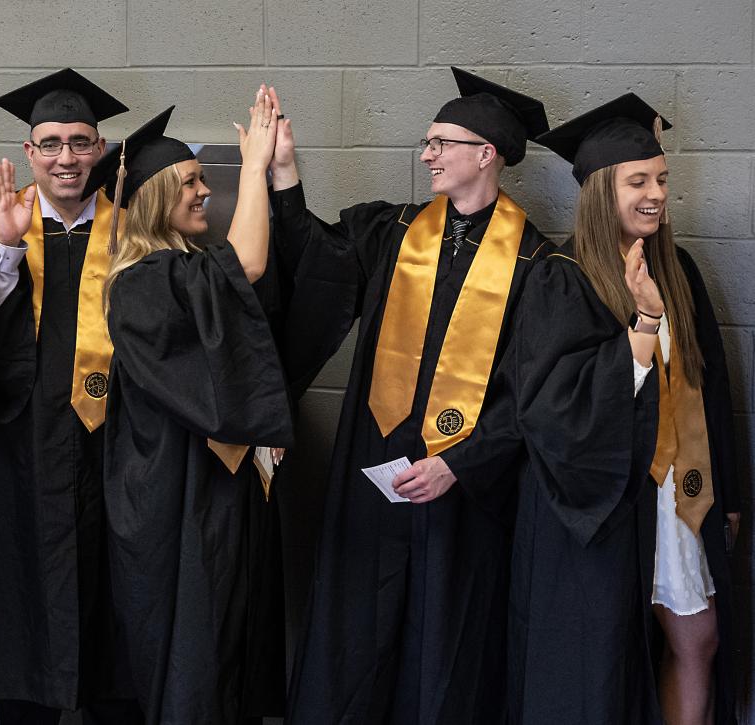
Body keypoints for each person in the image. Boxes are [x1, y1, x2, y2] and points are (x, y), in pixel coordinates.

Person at [267, 68, 553, 723]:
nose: (426, 154)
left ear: (486, 153)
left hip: (461, 496)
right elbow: (314, 264)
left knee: (443, 645)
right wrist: (285, 174)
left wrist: (461, 462)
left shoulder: (536, 265)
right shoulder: (390, 232)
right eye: (426, 142)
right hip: (374, 482)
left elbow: (533, 394)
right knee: (355, 641)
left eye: (439, 142)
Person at [475, 93, 737, 724]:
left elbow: (710, 389)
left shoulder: (679, 270)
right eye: (638, 181)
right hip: (597, 499)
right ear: (598, 190)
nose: (656, 194)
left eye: (663, 180)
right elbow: (553, 405)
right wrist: (644, 322)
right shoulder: (563, 277)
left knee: (698, 639)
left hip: (678, 491)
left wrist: (728, 493)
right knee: (603, 661)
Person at [0, 68, 143, 725]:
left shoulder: (133, 231)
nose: (65, 157)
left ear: (99, 149)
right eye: (49, 143)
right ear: (28, 153)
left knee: (115, 595)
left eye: (79, 142)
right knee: (15, 592)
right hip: (16, 451)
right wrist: (4, 248)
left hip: (114, 450)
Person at [88, 93, 293, 724]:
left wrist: (283, 175)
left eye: (206, 178)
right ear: (153, 196)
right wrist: (254, 166)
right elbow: (249, 265)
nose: (204, 191)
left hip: (207, 486)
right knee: (191, 649)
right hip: (169, 497)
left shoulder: (184, 266)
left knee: (224, 637)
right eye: (191, 181)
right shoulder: (142, 282)